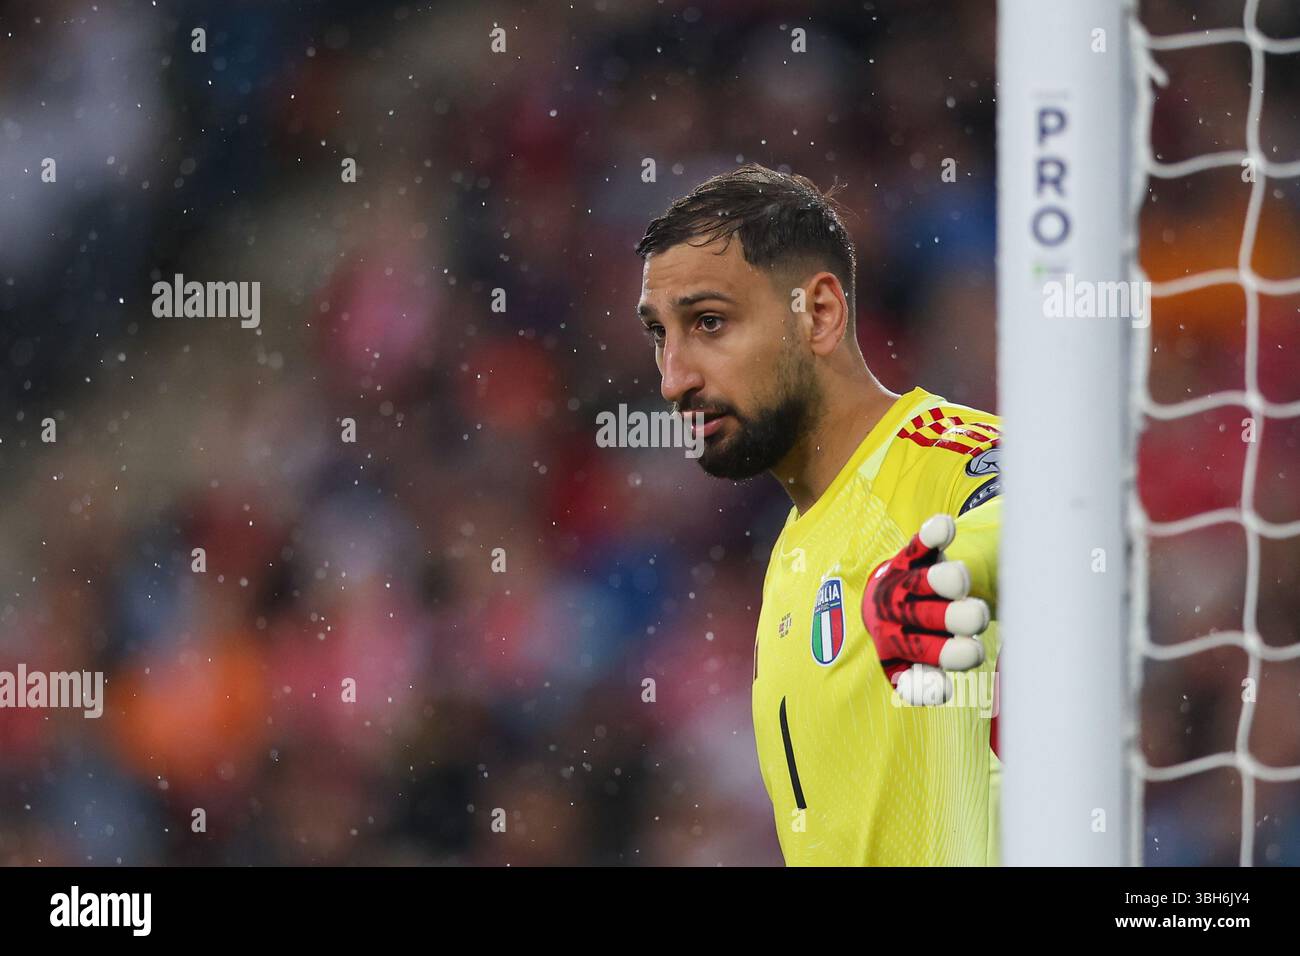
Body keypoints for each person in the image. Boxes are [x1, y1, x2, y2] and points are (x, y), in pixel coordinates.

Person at [634, 163, 1003, 865]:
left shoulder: (949, 455)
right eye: (661, 334)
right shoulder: (794, 551)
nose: (672, 379)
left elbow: (1049, 520)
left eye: (709, 323)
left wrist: (951, 568)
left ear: (821, 315)